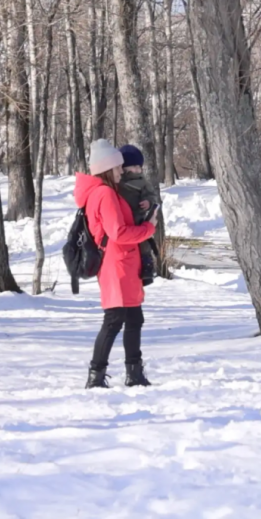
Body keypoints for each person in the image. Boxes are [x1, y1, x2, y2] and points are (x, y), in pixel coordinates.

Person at [73, 139, 158, 389]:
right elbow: (119, 232)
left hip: (123, 263)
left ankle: (134, 374)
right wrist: (148, 227)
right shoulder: (105, 194)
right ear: (108, 169)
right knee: (114, 319)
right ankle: (96, 376)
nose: (122, 171)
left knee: (134, 318)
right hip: (117, 263)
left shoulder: (105, 191)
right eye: (119, 167)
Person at [117, 144, 158, 286]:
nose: (137, 169)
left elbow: (152, 196)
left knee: (143, 243)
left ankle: (147, 266)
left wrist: (148, 201)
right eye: (133, 166)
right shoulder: (117, 180)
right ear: (123, 166)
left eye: (139, 167)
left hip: (139, 217)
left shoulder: (143, 182)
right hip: (123, 218)